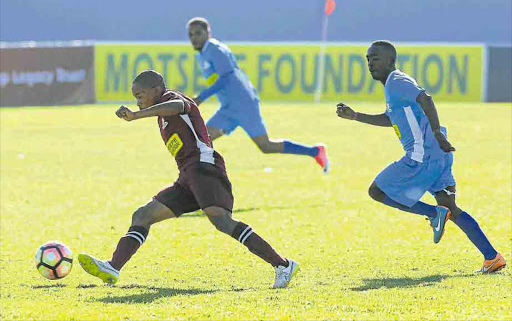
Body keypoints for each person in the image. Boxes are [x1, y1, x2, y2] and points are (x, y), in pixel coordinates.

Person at [78, 70, 299, 288]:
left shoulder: (172, 99)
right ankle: (113, 267)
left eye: (140, 96)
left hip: (203, 167)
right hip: (188, 175)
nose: (137, 102)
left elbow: (180, 106)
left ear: (156, 90)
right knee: (143, 215)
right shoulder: (162, 113)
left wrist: (136, 116)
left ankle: (283, 265)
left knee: (222, 221)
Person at [336, 40, 506, 274]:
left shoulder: (397, 81)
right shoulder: (392, 87)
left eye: (374, 58)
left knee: (376, 191)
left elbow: (425, 98)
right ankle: (492, 257)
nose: (369, 63)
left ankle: (432, 213)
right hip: (438, 155)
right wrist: (356, 116)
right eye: (367, 59)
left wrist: (436, 132)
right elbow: (390, 119)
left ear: (389, 60)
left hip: (422, 156)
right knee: (450, 208)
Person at [187, 17, 329, 173]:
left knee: (266, 146)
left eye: (198, 33)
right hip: (229, 106)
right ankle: (210, 176)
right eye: (191, 34)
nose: (194, 38)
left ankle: (315, 152)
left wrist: (201, 97)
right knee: (203, 138)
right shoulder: (203, 53)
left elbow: (227, 77)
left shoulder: (214, 49)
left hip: (243, 104)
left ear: (208, 33)